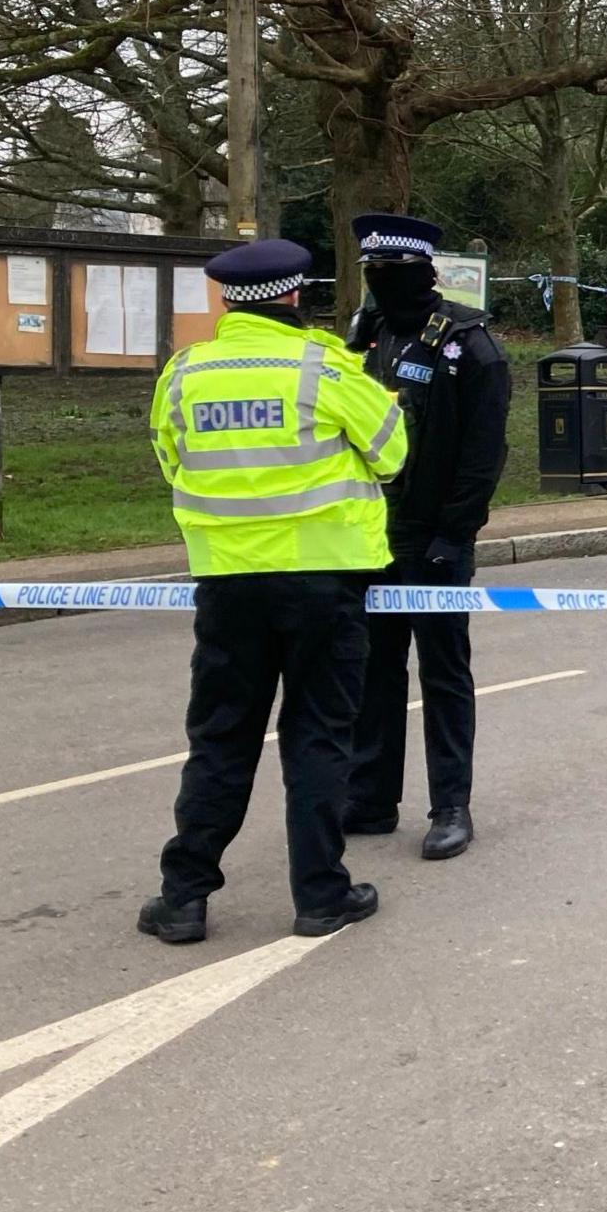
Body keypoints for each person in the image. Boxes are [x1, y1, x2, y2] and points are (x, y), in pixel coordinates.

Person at [138, 240, 407, 944]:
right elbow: (393, 453)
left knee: (221, 738)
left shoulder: (184, 372)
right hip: (324, 581)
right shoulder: (326, 366)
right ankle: (321, 896)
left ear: (226, 300)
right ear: (295, 296)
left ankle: (184, 898)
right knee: (319, 737)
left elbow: (172, 458)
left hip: (227, 582)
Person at [343, 213, 513, 862]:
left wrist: (455, 532)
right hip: (374, 534)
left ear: (424, 272)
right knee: (373, 671)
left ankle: (450, 806)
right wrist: (352, 346)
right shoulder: (371, 339)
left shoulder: (470, 345)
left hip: (436, 534)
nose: (383, 284)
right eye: (373, 275)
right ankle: (369, 798)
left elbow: (483, 452)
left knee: (442, 673)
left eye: (393, 273)